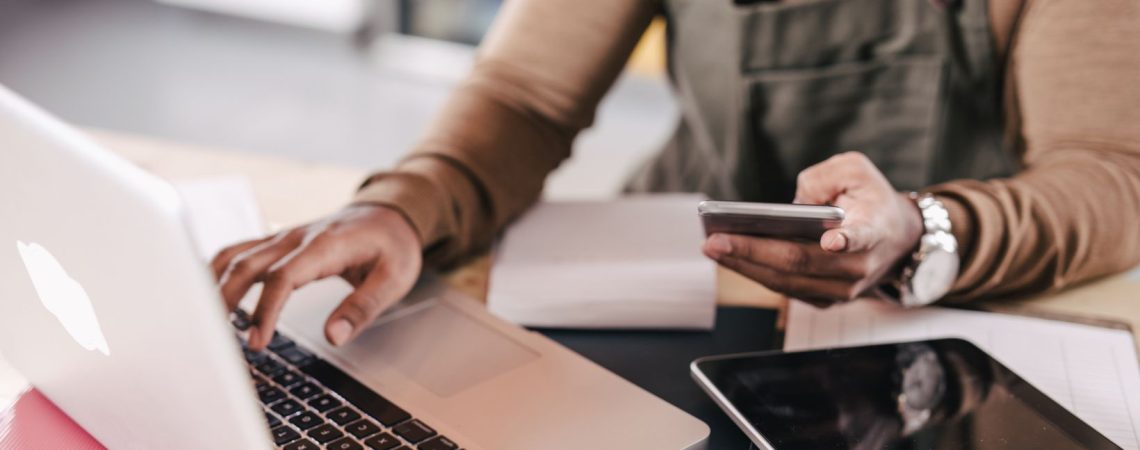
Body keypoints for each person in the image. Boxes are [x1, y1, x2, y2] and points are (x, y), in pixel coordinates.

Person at [213, 0, 1140, 351]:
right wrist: (406, 205)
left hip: (943, 325)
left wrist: (924, 234)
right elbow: (528, 94)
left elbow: (1107, 174)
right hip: (667, 294)